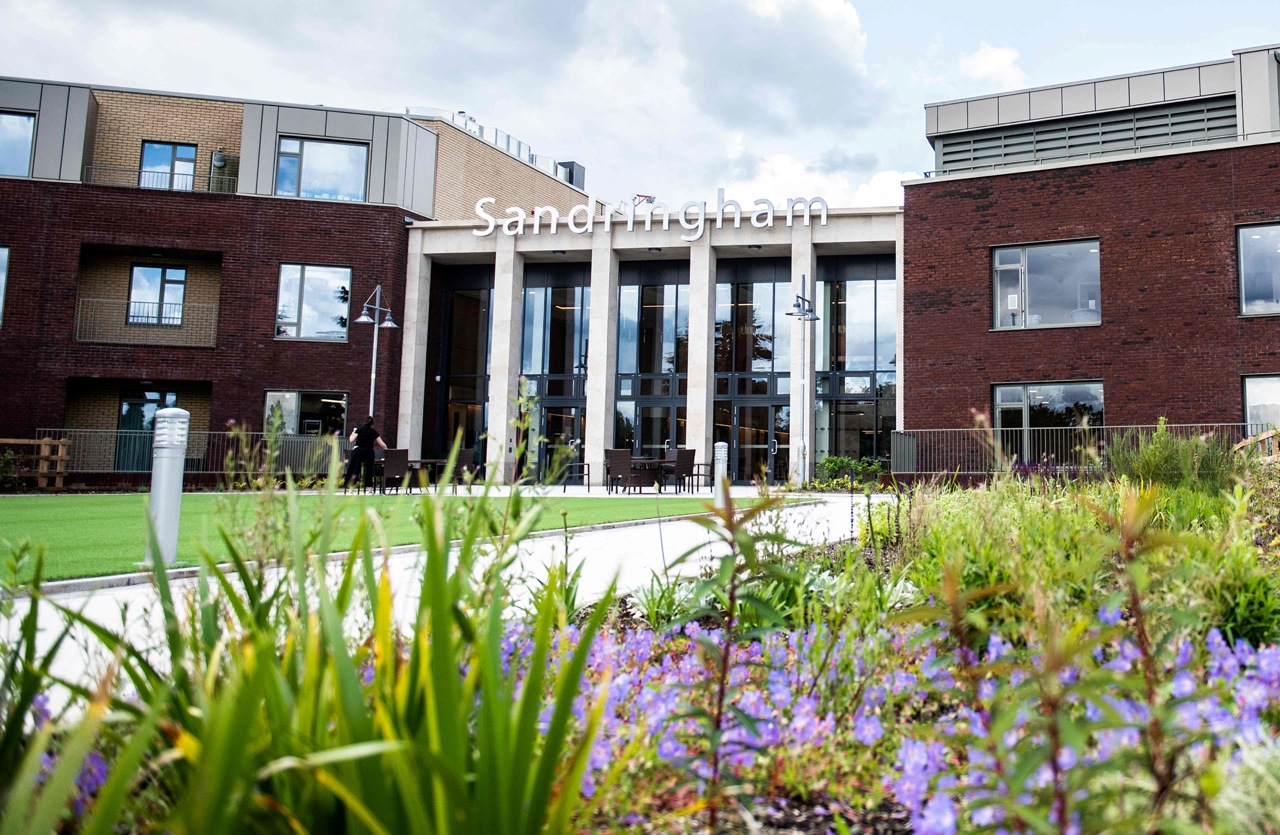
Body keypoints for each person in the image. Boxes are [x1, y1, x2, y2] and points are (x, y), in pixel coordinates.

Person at [344, 416, 388, 491]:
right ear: (372, 423)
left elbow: (351, 440)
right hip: (369, 451)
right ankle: (369, 488)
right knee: (369, 469)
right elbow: (382, 445)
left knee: (355, 468)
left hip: (358, 451)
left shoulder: (359, 430)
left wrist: (353, 432)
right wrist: (387, 451)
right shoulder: (373, 432)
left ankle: (350, 487)